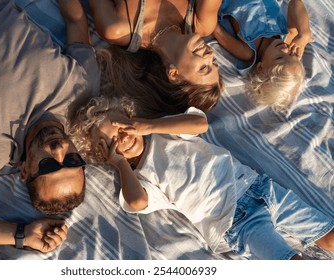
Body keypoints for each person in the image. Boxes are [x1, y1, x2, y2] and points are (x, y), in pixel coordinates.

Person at [70, 95, 334, 260]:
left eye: (122, 127)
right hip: (234, 220)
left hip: (259, 187)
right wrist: (120, 164)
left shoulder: (164, 131)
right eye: (111, 142)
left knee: (329, 237)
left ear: (131, 118)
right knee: (291, 263)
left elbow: (200, 124)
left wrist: (149, 124)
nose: (123, 137)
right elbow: (137, 203)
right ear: (104, 154)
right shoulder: (142, 178)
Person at [0, 0, 97, 253]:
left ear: (25, 171)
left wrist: (21, 235)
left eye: (49, 165)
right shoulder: (82, 93)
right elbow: (77, 22)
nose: (59, 150)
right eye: (71, 161)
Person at [84, 0, 224, 112]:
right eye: (214, 61)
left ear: (174, 74)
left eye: (204, 67)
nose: (210, 54)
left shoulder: (116, 29)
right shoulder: (201, 22)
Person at [211, 0, 314, 111]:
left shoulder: (247, 51)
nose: (285, 49)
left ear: (260, 68)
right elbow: (295, 3)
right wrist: (304, 33)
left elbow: (216, 31)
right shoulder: (287, 38)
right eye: (292, 55)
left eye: (279, 58)